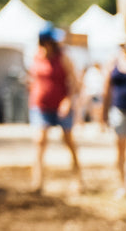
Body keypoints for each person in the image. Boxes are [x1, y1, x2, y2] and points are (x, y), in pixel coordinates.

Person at [30, 22, 84, 193]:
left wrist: (68, 101)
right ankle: (37, 182)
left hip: (61, 106)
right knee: (39, 141)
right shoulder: (37, 56)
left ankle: (78, 179)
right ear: (44, 41)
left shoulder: (63, 57)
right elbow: (34, 79)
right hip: (41, 106)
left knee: (68, 141)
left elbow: (75, 83)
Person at [102, 41, 126, 195]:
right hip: (119, 110)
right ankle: (123, 185)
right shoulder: (113, 61)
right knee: (121, 150)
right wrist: (103, 114)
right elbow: (106, 89)